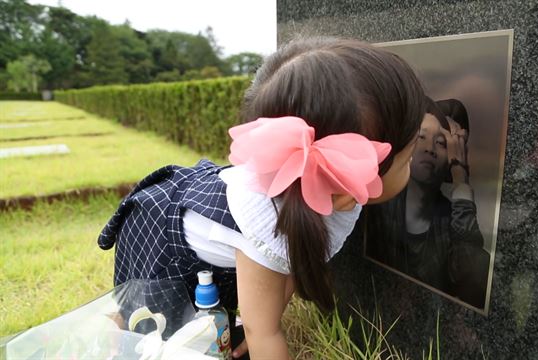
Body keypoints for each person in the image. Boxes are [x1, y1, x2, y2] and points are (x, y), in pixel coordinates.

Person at [97, 37, 428, 358]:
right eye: (408, 156)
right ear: (353, 170)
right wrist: (258, 330)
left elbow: (288, 268)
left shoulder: (319, 193)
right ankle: (115, 329)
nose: (413, 163)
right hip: (163, 240)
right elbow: (264, 331)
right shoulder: (264, 223)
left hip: (199, 216)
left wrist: (261, 318)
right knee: (158, 336)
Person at [366, 98, 489, 309]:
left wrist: (461, 180)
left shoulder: (455, 222)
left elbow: (473, 287)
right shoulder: (378, 204)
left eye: (442, 143)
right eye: (420, 138)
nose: (430, 149)